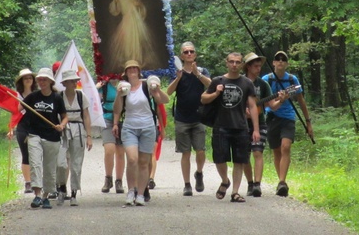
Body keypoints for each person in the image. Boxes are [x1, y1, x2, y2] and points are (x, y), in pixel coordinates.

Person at [200, 52, 279, 203]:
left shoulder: (247, 83)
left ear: (242, 64)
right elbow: (203, 99)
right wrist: (217, 92)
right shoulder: (218, 80)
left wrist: (256, 129)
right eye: (231, 62)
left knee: (239, 160)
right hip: (221, 125)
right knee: (219, 159)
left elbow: (253, 106)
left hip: (240, 126)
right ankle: (224, 181)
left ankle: (235, 192)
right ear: (227, 63)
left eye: (237, 62)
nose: (234, 65)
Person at [112, 60, 169, 206]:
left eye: (134, 68)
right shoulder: (124, 88)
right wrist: (119, 96)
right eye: (129, 68)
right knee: (132, 159)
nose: (132, 70)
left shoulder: (146, 86)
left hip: (148, 127)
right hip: (130, 127)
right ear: (125, 72)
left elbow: (165, 100)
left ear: (138, 71)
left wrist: (156, 91)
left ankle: (141, 195)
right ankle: (131, 190)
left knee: (144, 162)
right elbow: (117, 109)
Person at [262, 51, 314, 197]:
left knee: (286, 146)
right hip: (271, 117)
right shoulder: (267, 79)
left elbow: (301, 100)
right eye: (277, 59)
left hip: (288, 118)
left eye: (283, 60)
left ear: (287, 64)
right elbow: (261, 100)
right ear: (273, 63)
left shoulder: (292, 80)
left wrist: (308, 122)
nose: (280, 62)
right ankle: (281, 182)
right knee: (277, 150)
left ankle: (282, 182)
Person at [166, 41, 211, 196]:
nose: (189, 54)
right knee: (185, 152)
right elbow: (168, 92)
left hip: (199, 117)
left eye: (192, 51)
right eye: (186, 52)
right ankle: (187, 184)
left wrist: (197, 74)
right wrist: (178, 78)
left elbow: (210, 85)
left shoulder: (202, 70)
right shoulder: (177, 72)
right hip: (182, 118)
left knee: (200, 150)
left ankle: (199, 173)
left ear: (195, 54)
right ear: (181, 56)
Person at [20, 67, 68, 209]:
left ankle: (46, 196)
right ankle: (37, 195)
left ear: (50, 81)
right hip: (34, 134)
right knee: (35, 163)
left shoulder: (57, 98)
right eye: (40, 79)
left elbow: (65, 117)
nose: (42, 82)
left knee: (49, 167)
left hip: (52, 137)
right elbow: (17, 108)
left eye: (44, 79)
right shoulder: (33, 97)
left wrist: (62, 125)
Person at [242, 52, 285, 197]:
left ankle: (257, 185)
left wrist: (282, 100)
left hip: (260, 123)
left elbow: (272, 106)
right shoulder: (240, 82)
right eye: (255, 66)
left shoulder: (263, 84)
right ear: (248, 67)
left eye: (260, 66)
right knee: (244, 156)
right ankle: (249, 183)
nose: (258, 68)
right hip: (241, 124)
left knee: (257, 152)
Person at [56, 70, 93, 206]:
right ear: (65, 83)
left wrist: (89, 136)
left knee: (76, 164)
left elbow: (86, 116)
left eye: (74, 81)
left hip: (78, 130)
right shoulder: (59, 96)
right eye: (70, 81)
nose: (73, 83)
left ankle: (74, 193)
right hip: (63, 131)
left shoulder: (80, 96)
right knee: (60, 163)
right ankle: (61, 187)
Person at [108, 0, 156, 71]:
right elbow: (116, 11)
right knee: (127, 41)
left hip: (136, 22)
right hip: (126, 21)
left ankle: (136, 60)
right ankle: (129, 61)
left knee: (136, 40)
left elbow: (142, 9)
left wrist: (139, 5)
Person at [8, 68, 38, 194]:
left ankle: (37, 180)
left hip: (36, 126)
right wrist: (10, 128)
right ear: (21, 81)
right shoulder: (16, 96)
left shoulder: (38, 94)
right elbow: (14, 112)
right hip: (22, 126)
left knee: (36, 155)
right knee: (26, 154)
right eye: (25, 78)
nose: (28, 80)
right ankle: (28, 182)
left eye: (30, 78)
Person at [97, 77, 126, 194]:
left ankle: (119, 181)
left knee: (120, 151)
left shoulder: (125, 84)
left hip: (123, 119)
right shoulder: (103, 85)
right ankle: (108, 178)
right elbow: (94, 100)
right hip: (107, 119)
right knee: (109, 149)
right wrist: (96, 88)